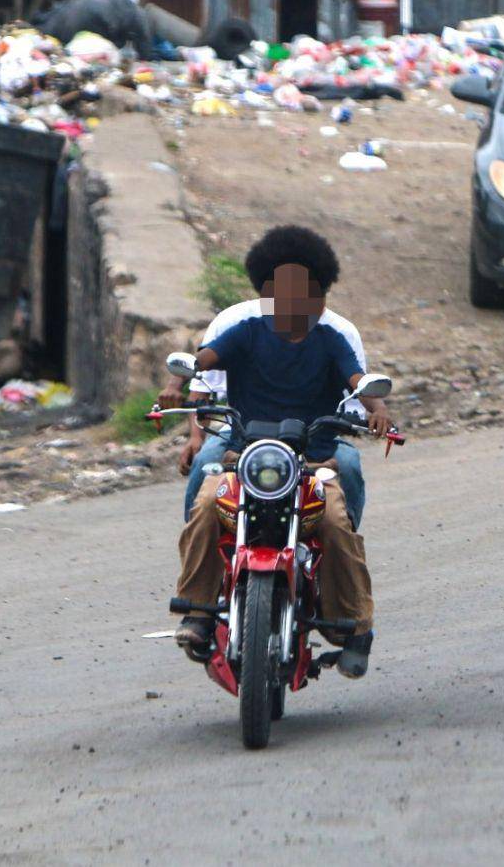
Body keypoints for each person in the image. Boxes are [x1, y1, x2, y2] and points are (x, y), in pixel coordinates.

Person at [172, 226, 392, 679]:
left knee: (335, 523)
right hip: (245, 459)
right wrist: (179, 379)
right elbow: (205, 360)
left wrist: (379, 408)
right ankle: (197, 610)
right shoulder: (245, 331)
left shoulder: (333, 338)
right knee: (207, 504)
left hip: (314, 464)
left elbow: (358, 382)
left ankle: (355, 625)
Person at [160, 298, 368, 528]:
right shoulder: (239, 323)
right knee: (204, 464)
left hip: (315, 437)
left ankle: (348, 541)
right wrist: (195, 436)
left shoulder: (337, 333)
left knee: (348, 468)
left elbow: (359, 384)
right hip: (242, 435)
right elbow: (199, 374)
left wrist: (378, 410)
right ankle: (195, 544)